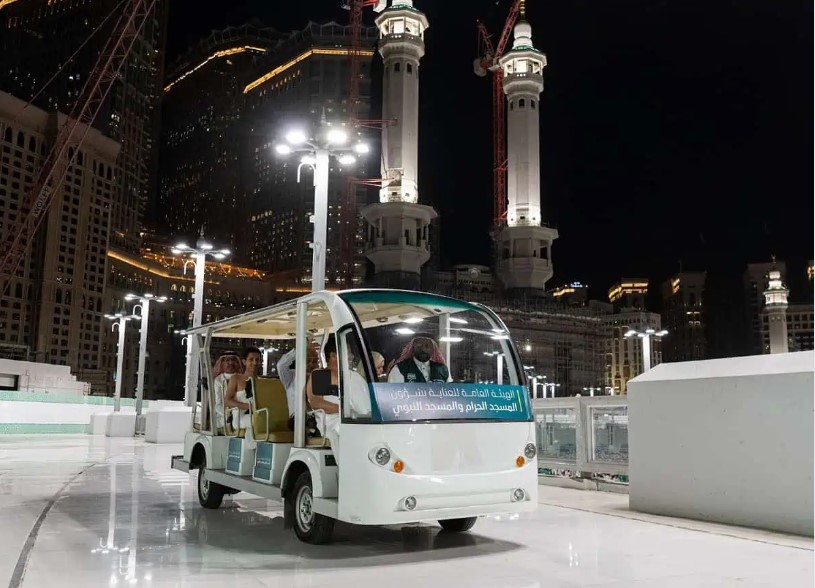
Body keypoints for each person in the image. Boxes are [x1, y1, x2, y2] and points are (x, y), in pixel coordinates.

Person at [306, 335, 370, 462]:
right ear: (333, 356)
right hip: (332, 422)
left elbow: (366, 406)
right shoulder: (320, 376)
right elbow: (317, 403)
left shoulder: (355, 377)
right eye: (348, 353)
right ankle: (348, 472)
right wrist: (344, 410)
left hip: (356, 419)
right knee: (345, 432)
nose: (351, 357)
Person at [277, 342, 319, 429]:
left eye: (314, 361)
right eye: (308, 361)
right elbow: (281, 365)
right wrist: (300, 349)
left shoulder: (321, 378)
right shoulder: (291, 377)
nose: (311, 364)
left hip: (319, 418)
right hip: (298, 420)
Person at [225, 347, 262, 444]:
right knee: (259, 422)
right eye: (251, 359)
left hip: (259, 414)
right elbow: (227, 401)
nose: (254, 363)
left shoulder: (261, 381)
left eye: (257, 360)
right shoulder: (236, 378)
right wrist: (249, 407)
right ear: (244, 362)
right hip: (240, 418)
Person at [387, 334, 451, 383]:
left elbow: (451, 392)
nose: (423, 349)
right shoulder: (400, 369)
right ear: (413, 347)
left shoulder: (443, 369)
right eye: (419, 346)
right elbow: (394, 395)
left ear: (433, 348)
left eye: (427, 346)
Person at [212, 351, 240, 431]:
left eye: (233, 360)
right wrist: (229, 414)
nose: (230, 363)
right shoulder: (219, 380)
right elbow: (218, 405)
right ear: (222, 363)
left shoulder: (242, 378)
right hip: (223, 416)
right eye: (227, 360)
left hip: (241, 412)